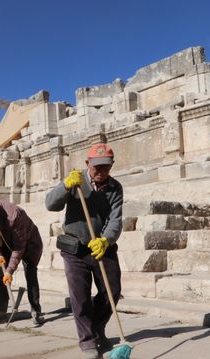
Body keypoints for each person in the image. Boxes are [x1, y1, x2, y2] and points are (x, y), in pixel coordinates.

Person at [45, 142, 123, 359]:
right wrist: (65, 186)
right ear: (87, 164)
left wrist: (106, 240)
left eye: (106, 167)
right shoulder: (76, 180)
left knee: (112, 290)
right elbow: (50, 204)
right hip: (74, 248)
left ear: (112, 165)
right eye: (96, 166)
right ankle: (87, 341)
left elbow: (115, 220)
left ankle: (97, 328)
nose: (101, 171)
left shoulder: (115, 188)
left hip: (101, 247)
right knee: (80, 297)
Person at [0, 199, 45, 326]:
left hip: (30, 244)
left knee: (30, 274)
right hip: (7, 244)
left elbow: (19, 248)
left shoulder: (14, 215)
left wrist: (9, 271)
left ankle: (36, 311)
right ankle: (0, 310)